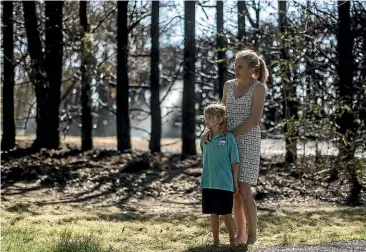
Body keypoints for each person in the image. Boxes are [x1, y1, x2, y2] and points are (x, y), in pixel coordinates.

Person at [203, 49, 269, 245]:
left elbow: (254, 120)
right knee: (234, 192)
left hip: (247, 141)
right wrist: (211, 130)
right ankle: (240, 235)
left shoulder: (259, 88)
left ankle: (252, 235)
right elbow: (221, 114)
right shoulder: (228, 86)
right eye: (235, 66)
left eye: (240, 67)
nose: (236, 69)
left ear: (252, 68)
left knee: (245, 190)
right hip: (227, 142)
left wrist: (229, 134)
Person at [200, 103, 240, 246]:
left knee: (226, 212)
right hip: (208, 182)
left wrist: (234, 179)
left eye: (210, 117)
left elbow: (235, 160)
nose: (206, 120)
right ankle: (215, 242)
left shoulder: (228, 138)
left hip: (224, 182)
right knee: (213, 213)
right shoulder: (204, 138)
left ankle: (232, 240)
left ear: (220, 118)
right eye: (205, 117)